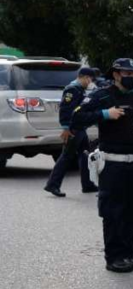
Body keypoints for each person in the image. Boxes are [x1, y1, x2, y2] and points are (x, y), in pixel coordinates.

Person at [72, 58, 133, 273]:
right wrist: (105, 114)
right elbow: (77, 118)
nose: (131, 78)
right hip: (112, 163)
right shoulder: (102, 95)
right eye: (127, 73)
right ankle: (114, 256)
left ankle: (129, 252)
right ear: (115, 74)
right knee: (114, 212)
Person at [44, 66, 100, 197]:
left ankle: (87, 185)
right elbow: (66, 109)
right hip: (73, 129)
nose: (90, 82)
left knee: (85, 155)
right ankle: (52, 184)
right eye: (90, 79)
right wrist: (65, 127)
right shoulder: (72, 89)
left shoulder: (80, 90)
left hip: (80, 128)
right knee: (66, 156)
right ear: (85, 77)